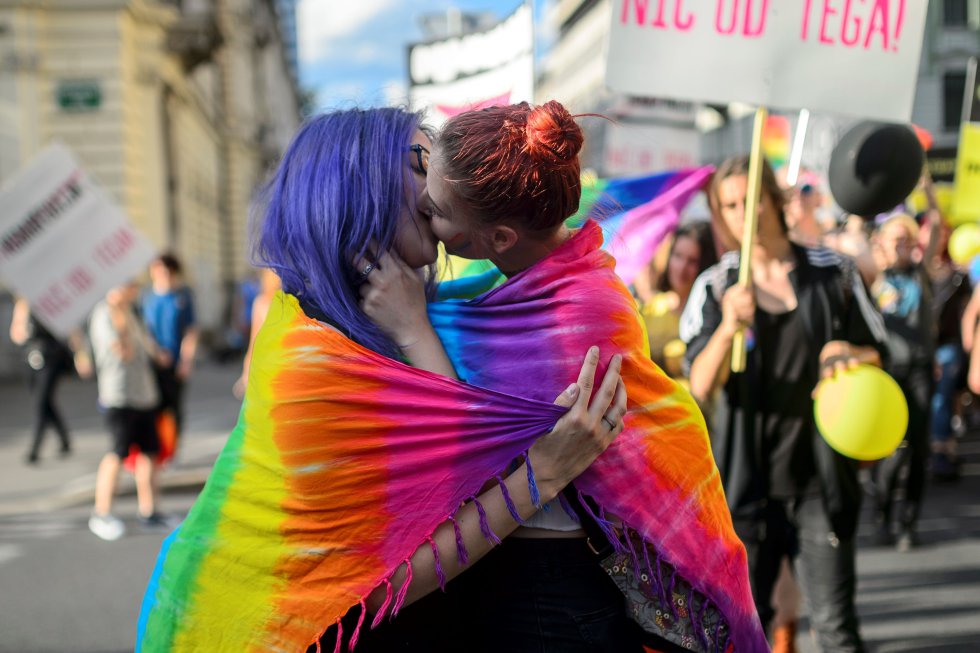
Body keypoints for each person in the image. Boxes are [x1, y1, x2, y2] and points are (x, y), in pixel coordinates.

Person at [136, 108, 632, 653]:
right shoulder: (314, 359)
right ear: (355, 186)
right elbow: (377, 587)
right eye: (420, 163)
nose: (435, 187)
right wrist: (540, 474)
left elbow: (457, 465)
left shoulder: (428, 312)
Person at [358, 102, 765, 652]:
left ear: (499, 238)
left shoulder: (578, 315)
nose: (422, 207)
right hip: (511, 572)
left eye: (437, 210)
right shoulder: (507, 291)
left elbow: (466, 446)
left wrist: (412, 328)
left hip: (550, 594)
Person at [681, 154, 887, 652]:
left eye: (751, 199)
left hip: (820, 480)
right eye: (729, 204)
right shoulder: (715, 285)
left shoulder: (832, 272)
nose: (742, 212)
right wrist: (729, 326)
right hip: (745, 488)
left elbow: (880, 353)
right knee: (743, 634)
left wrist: (848, 352)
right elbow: (698, 386)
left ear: (774, 200)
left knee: (837, 629)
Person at [869, 213, 936, 550]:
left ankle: (908, 521)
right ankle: (882, 512)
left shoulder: (921, 275)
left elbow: (935, 227)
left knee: (919, 450)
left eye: (905, 240)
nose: (899, 246)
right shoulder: (876, 280)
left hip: (921, 371)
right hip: (890, 373)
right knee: (894, 451)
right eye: (893, 240)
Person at [87, 282, 167, 540]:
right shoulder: (103, 314)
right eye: (129, 284)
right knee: (117, 453)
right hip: (119, 395)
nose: (134, 288)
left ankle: (149, 511)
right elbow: (121, 352)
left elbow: (147, 347)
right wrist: (119, 318)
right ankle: (102, 513)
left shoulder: (132, 312)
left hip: (144, 394)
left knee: (149, 453)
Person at [8, 297, 91, 464]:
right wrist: (23, 329)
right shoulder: (23, 304)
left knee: (41, 402)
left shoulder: (49, 300)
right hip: (32, 360)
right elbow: (16, 334)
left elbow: (71, 329)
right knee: (46, 403)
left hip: (52, 359)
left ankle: (35, 448)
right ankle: (64, 438)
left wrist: (81, 356)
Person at [638, 221, 717, 378]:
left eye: (692, 261)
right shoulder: (648, 309)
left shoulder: (710, 316)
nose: (682, 268)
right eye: (678, 256)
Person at [141, 252, 198, 437]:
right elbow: (143, 331)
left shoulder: (182, 297)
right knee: (154, 407)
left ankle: (172, 447)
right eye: (158, 271)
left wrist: (186, 360)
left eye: (167, 272)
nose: (163, 275)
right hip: (153, 362)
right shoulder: (147, 298)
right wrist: (155, 353)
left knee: (173, 408)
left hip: (175, 362)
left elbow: (190, 330)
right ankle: (157, 448)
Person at [232, 267, 281, 398]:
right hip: (267, 362)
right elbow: (254, 339)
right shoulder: (261, 302)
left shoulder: (288, 301)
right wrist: (246, 372)